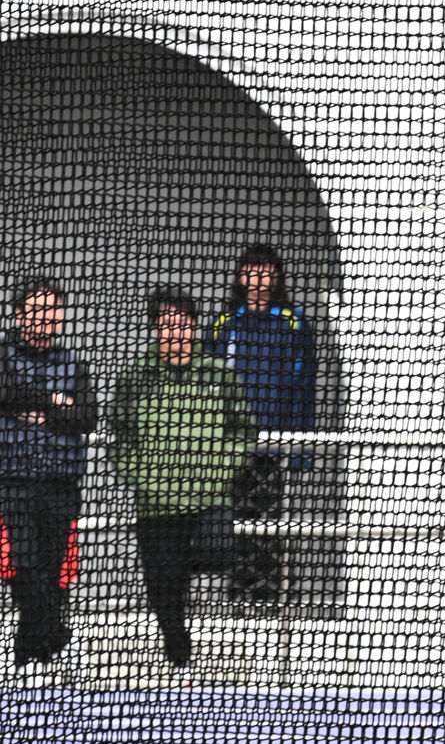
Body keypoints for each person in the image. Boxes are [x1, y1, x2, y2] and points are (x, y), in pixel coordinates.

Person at [108, 288, 256, 667]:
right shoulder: (135, 378)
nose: (176, 331)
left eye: (183, 323)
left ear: (194, 326)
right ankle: (178, 655)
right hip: (156, 503)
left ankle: (178, 573)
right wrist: (142, 476)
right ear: (155, 328)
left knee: (219, 553)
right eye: (166, 323)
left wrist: (222, 470)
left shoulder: (220, 374)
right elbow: (119, 436)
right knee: (163, 591)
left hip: (210, 497)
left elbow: (243, 430)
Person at [206, 243, 316, 600]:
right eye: (251, 270)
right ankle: (237, 595)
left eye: (266, 270)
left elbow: (303, 385)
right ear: (240, 277)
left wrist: (301, 448)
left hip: (274, 445)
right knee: (232, 522)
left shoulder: (293, 322)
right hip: (229, 446)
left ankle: (267, 598)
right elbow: (207, 384)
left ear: (277, 277)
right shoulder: (224, 323)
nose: (258, 278)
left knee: (268, 524)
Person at [0, 278, 97, 670]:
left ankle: (29, 657)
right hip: (12, 480)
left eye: (54, 308)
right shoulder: (2, 354)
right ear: (19, 314)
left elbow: (87, 417)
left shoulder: (74, 364)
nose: (47, 316)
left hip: (60, 482)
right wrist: (56, 401)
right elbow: (5, 393)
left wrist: (41, 410)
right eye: (38, 308)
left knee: (53, 570)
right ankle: (54, 638)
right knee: (22, 565)